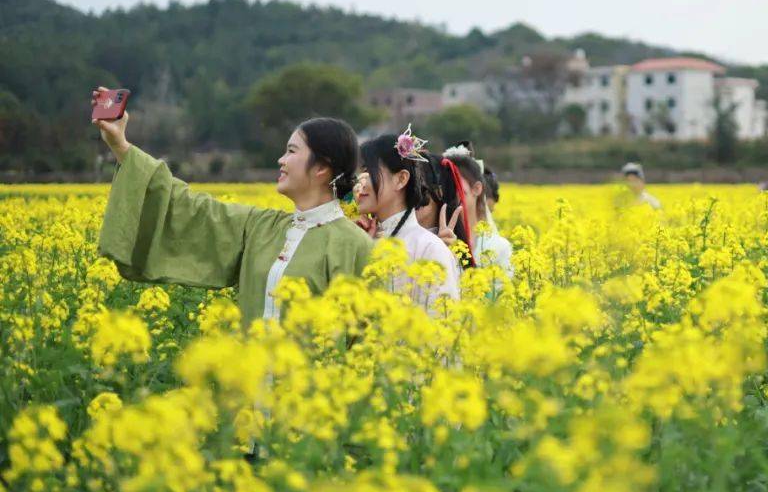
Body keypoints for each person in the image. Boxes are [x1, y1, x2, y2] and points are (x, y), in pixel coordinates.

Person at [92, 87, 373, 328]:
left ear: (322, 167)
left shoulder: (356, 246)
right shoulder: (260, 228)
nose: (280, 160)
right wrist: (121, 145)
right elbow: (192, 209)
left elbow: (366, 344)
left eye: (291, 151)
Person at [353, 128, 460, 313]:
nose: (360, 183)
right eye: (360, 173)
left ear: (401, 179)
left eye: (369, 172)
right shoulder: (364, 240)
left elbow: (442, 330)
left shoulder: (430, 249)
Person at [437, 145, 513, 275]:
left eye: (455, 184)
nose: (449, 192)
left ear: (477, 189)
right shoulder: (433, 241)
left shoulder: (499, 247)